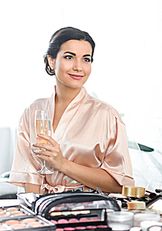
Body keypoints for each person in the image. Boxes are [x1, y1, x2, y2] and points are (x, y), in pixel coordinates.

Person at [9, 27, 135, 194]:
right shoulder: (33, 112)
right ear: (52, 61)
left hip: (88, 210)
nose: (78, 67)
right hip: (43, 209)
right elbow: (30, 178)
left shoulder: (107, 116)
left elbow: (121, 184)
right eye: (69, 57)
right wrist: (37, 213)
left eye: (86, 59)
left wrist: (63, 164)